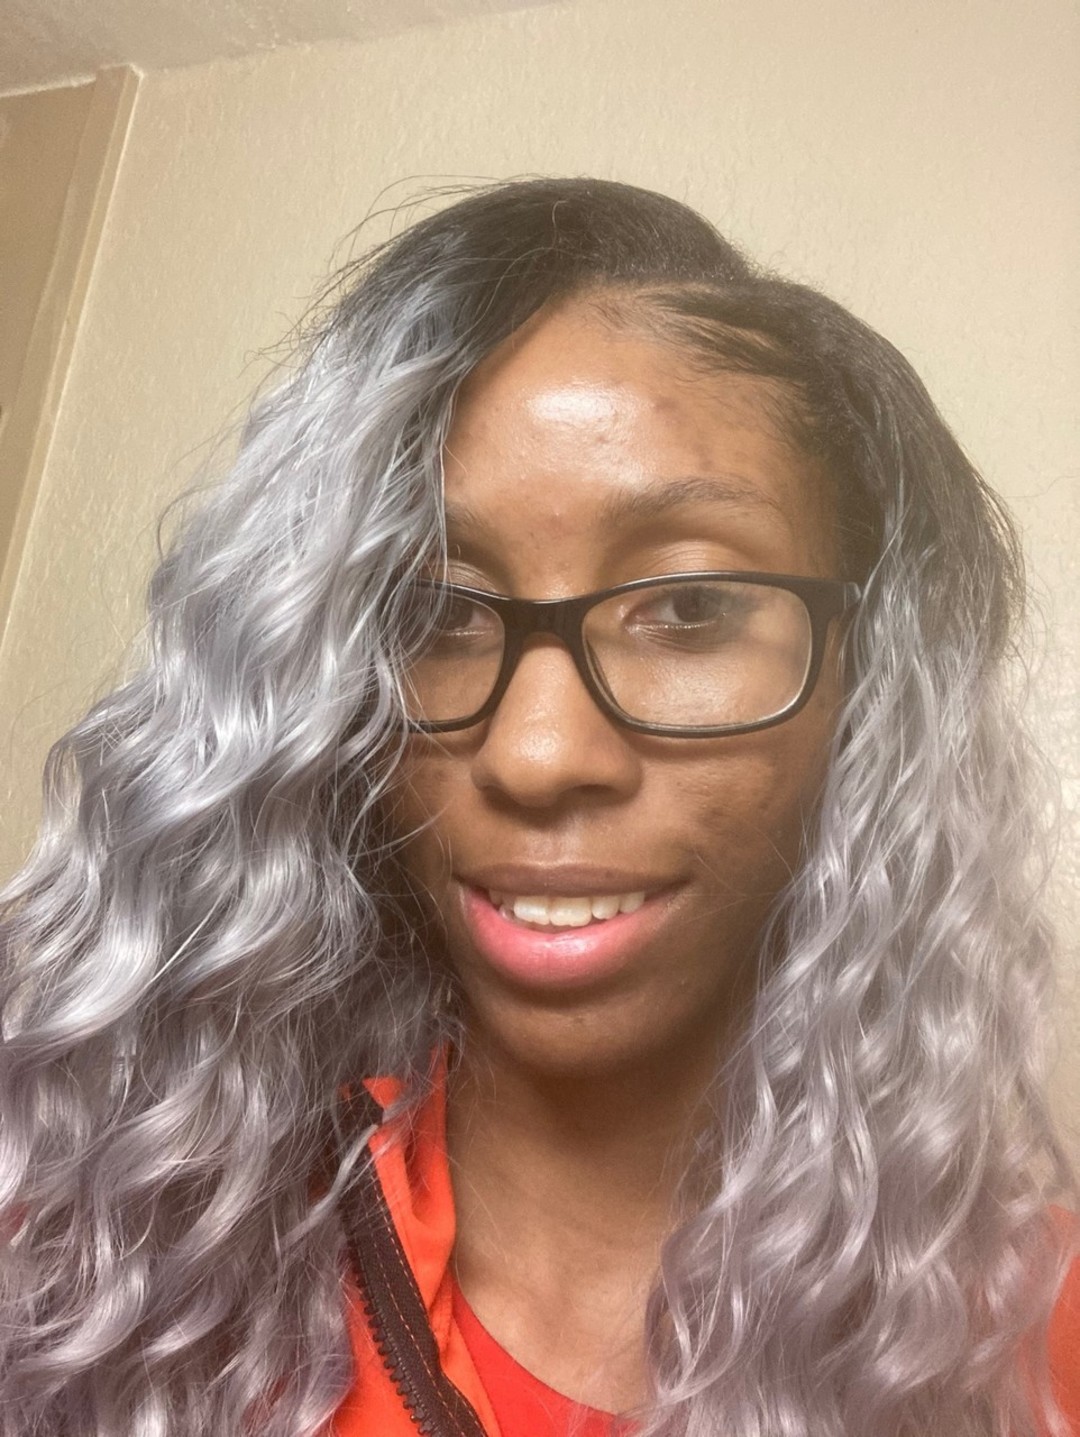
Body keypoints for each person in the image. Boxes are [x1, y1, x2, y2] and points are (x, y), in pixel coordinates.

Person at [0, 177, 1077, 1437]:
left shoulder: (1033, 1354)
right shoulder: (92, 1263)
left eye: (690, 608)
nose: (539, 752)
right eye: (433, 613)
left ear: (868, 687)